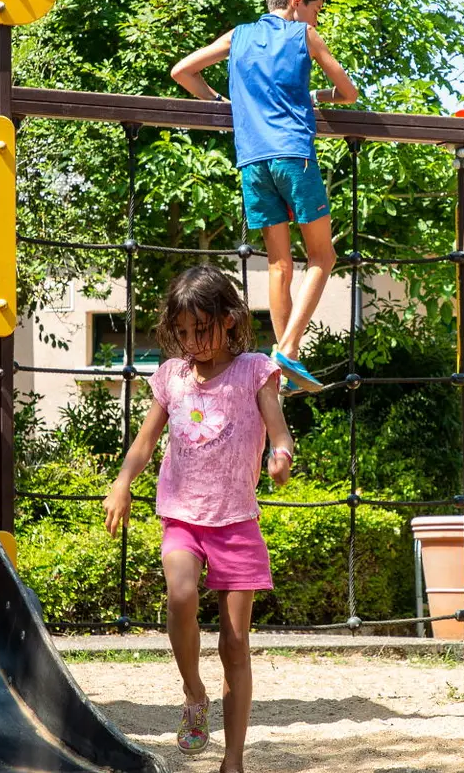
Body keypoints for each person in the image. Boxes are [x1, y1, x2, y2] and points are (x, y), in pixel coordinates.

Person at [103, 266, 297, 772]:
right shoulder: (172, 375)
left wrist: (281, 456)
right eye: (183, 332)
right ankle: (193, 692)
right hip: (182, 515)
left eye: (202, 329)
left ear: (229, 320)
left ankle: (232, 760)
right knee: (181, 594)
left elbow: (279, 431)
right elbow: (145, 442)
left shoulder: (255, 370)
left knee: (235, 643)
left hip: (236, 521)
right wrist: (122, 482)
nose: (192, 342)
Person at [170, 0, 359, 391]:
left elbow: (181, 71)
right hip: (294, 154)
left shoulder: (238, 35)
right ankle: (288, 350)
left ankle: (280, 361)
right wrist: (318, 95)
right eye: (316, 10)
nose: (316, 19)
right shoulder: (303, 35)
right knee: (323, 257)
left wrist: (222, 102)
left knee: (278, 263)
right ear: (297, 3)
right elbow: (348, 93)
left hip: (252, 160)